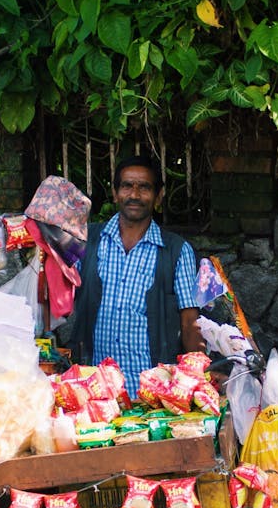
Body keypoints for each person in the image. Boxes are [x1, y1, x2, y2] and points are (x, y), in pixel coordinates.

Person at [69, 154, 204, 398]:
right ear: (115, 192)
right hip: (95, 390)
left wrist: (198, 382)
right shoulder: (87, 241)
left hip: (152, 395)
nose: (134, 195)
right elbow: (58, 295)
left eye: (144, 187)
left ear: (158, 196)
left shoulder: (176, 250)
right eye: (127, 186)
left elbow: (189, 323)